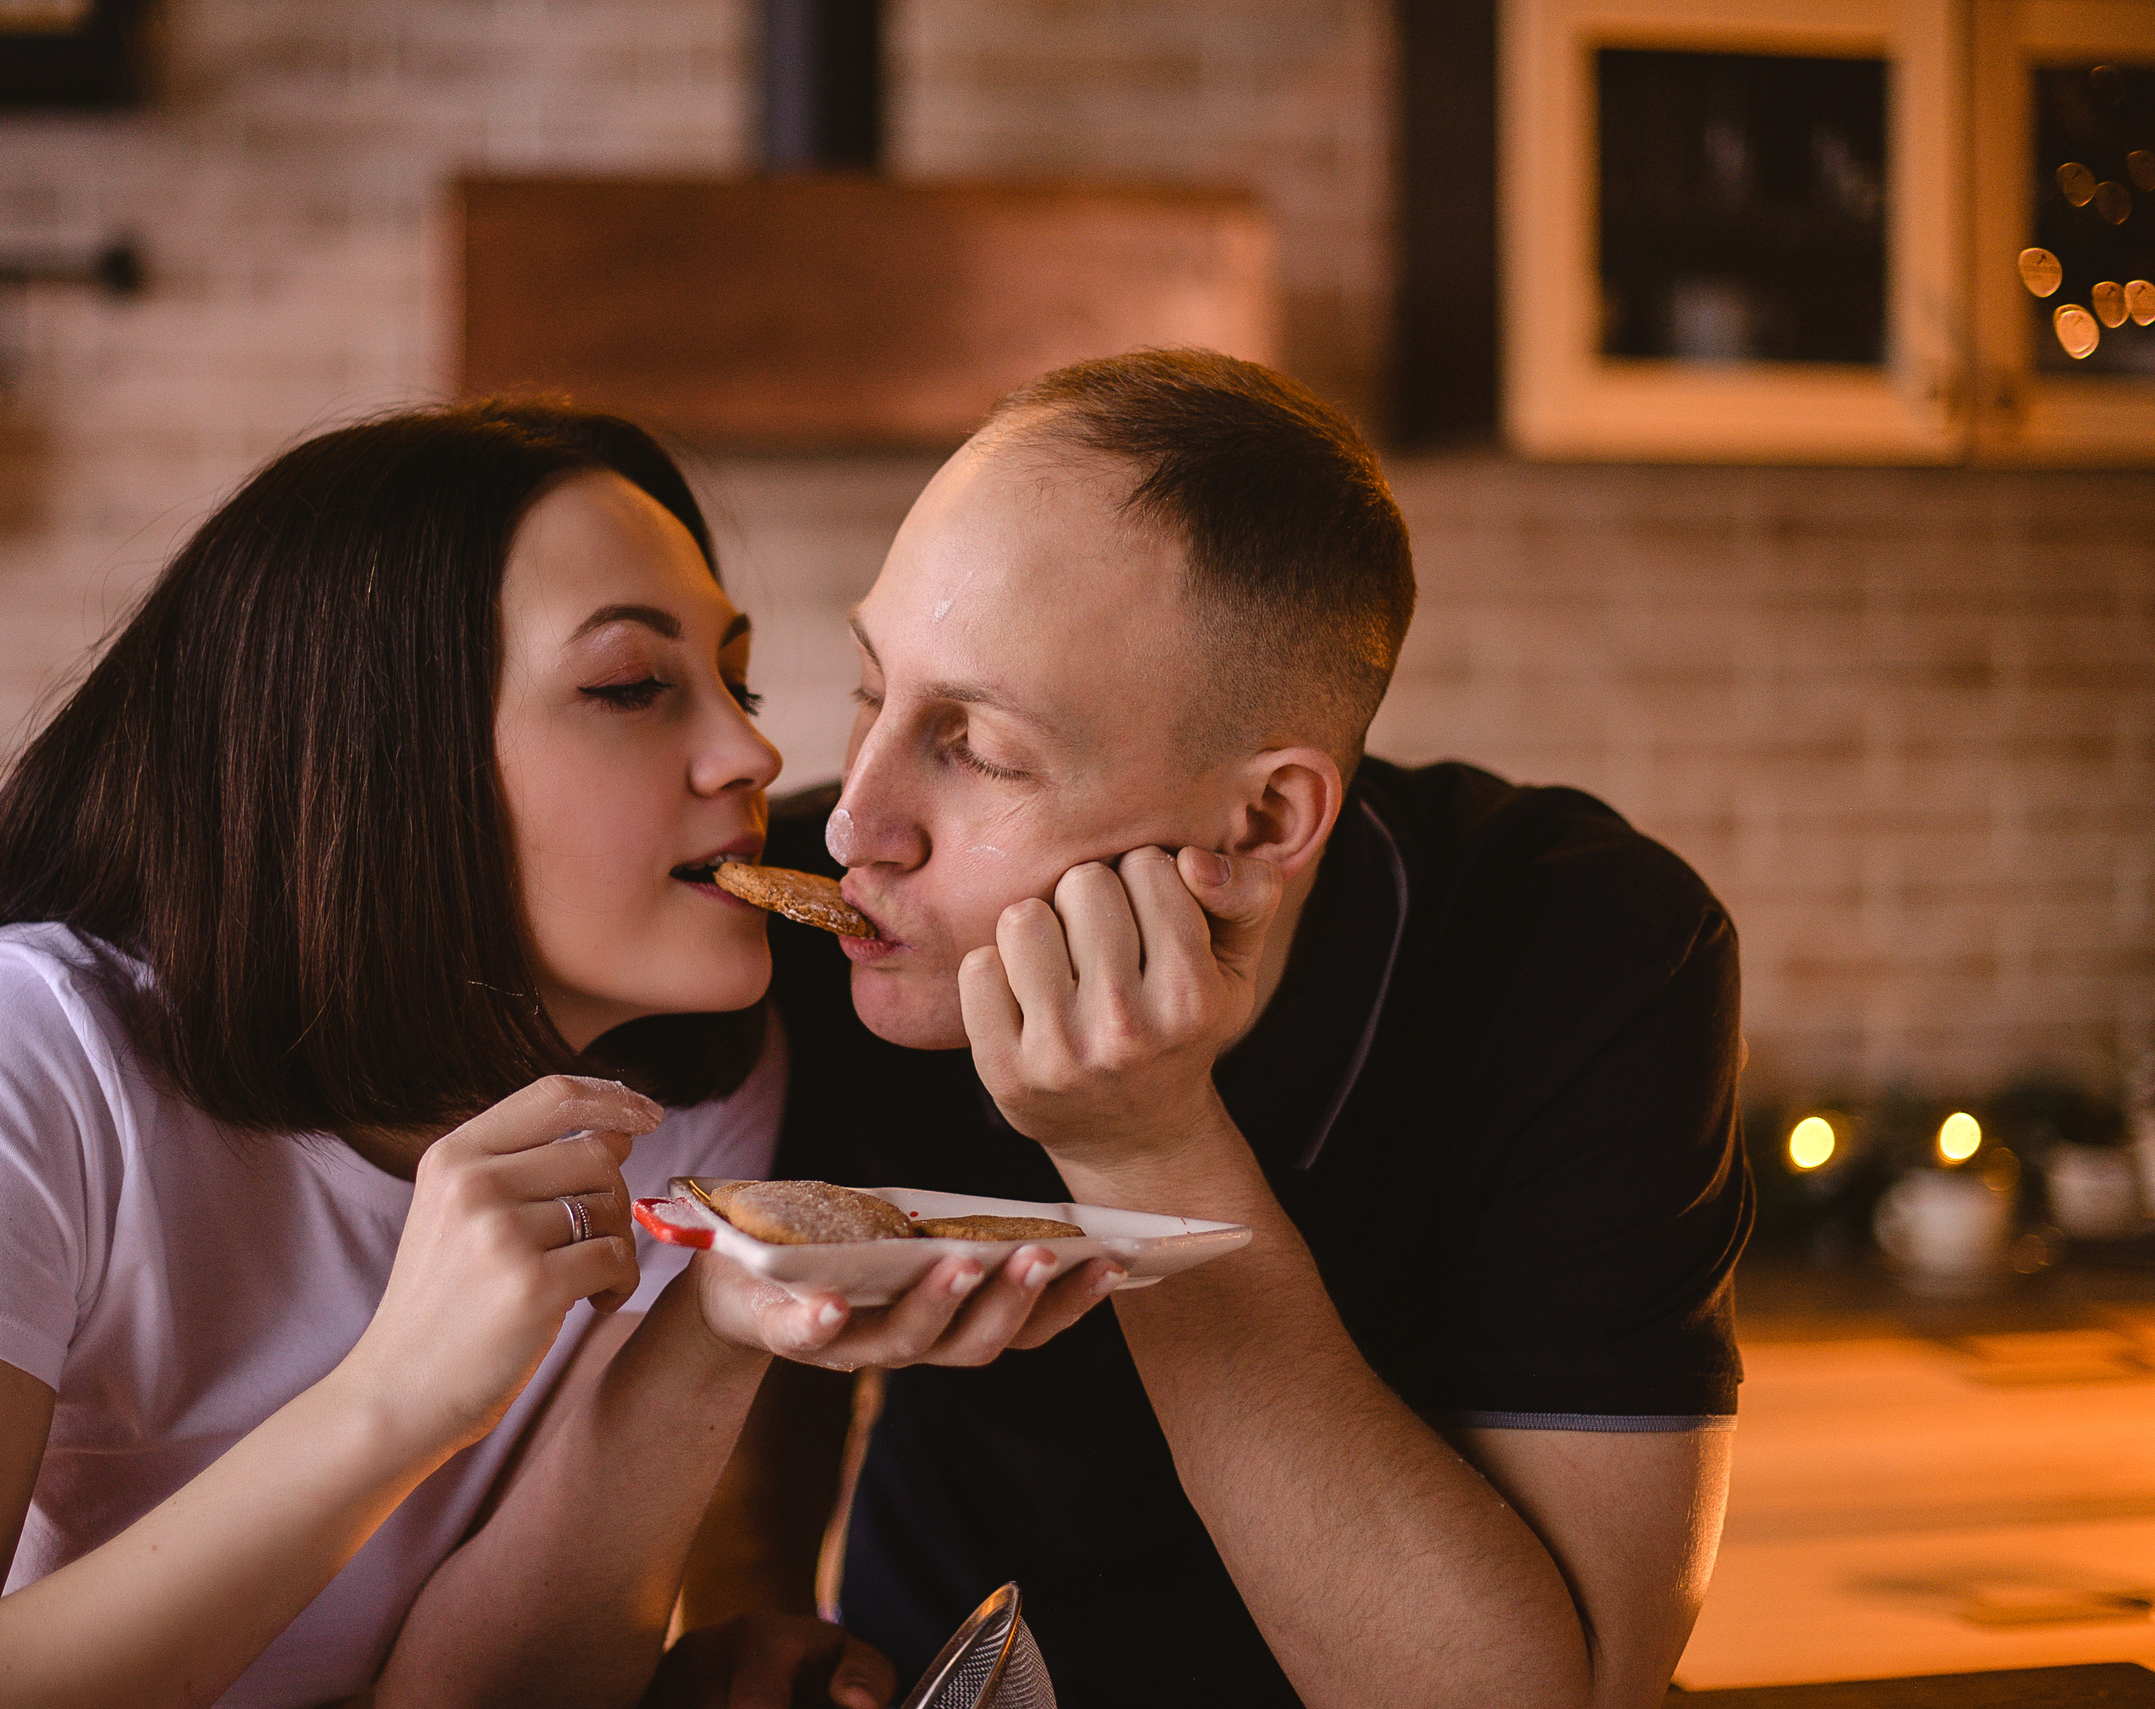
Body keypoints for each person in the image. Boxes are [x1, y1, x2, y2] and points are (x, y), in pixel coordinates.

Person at [0, 401, 1115, 1709]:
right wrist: (392, 1398)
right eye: (631, 686)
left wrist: (716, 1323)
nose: (752, 756)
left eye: (742, 685)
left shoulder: (697, 1099)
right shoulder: (40, 1051)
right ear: (385, 753)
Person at [719, 350, 1753, 1708]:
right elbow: (752, 1342)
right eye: (871, 691)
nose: (857, 822)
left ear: (1262, 821)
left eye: (977, 747)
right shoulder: (812, 930)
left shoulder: (1586, 957)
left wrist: (1145, 1152)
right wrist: (752, 1622)